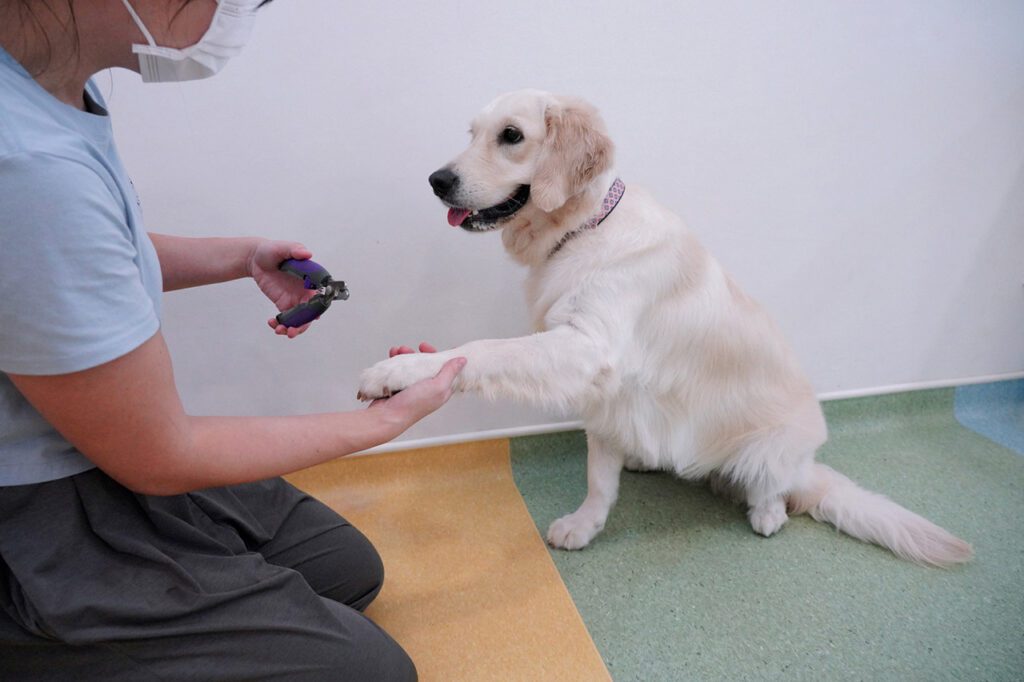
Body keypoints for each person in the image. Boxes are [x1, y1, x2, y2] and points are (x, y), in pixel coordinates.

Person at [0, 1, 463, 679]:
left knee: (342, 569)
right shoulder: (26, 164)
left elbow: (73, 260)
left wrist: (239, 256)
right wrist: (381, 423)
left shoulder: (51, 84)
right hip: (34, 501)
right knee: (370, 672)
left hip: (91, 450)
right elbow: (160, 454)